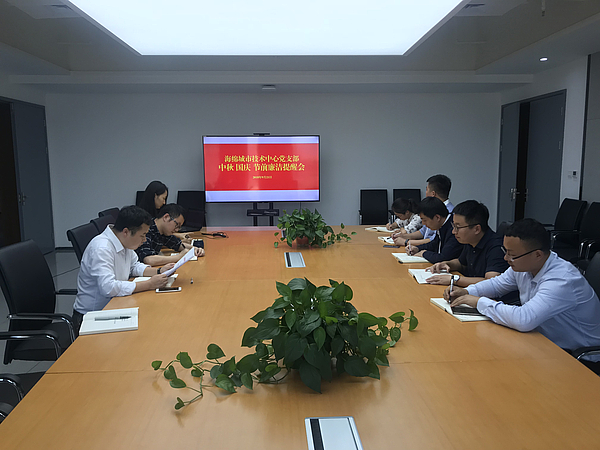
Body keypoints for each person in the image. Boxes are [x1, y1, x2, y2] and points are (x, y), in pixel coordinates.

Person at [447, 218, 600, 366]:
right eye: (505, 251)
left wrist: (478, 302)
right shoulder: (525, 265)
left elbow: (524, 319)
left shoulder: (562, 280)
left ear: (537, 254)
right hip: (541, 341)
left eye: (512, 255)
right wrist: (466, 291)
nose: (506, 258)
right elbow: (497, 284)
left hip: (578, 358)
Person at [72, 206, 175, 333]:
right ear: (126, 232)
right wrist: (149, 284)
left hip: (115, 306)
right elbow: (108, 287)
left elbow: (134, 266)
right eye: (142, 235)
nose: (144, 240)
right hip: (91, 317)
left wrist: (159, 271)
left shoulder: (123, 241)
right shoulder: (102, 248)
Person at [425, 200, 508, 286]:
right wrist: (446, 264)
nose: (453, 232)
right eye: (453, 226)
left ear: (477, 229)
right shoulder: (471, 240)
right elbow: (461, 263)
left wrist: (454, 280)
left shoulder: (496, 247)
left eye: (457, 227)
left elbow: (491, 282)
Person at [393, 174, 454, 247]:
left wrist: (406, 242)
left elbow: (434, 240)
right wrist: (404, 236)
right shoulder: (431, 208)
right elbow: (423, 231)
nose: (425, 193)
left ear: (433, 194)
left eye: (427, 189)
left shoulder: (449, 213)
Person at [135, 203, 204, 266]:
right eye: (177, 225)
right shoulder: (147, 230)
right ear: (166, 217)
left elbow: (179, 245)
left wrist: (196, 249)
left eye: (179, 227)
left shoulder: (163, 232)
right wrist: (179, 257)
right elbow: (148, 260)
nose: (177, 230)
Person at [406, 196, 463, 263]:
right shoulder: (442, 225)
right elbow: (434, 244)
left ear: (437, 217)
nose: (423, 224)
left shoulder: (453, 229)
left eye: (425, 220)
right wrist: (418, 248)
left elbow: (444, 258)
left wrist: (424, 253)